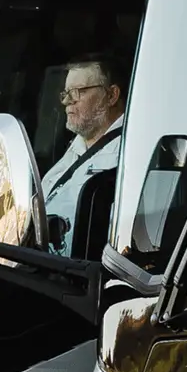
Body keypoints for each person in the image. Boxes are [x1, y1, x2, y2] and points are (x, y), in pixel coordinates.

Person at [41, 55, 125, 255]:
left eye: (78, 92)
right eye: (66, 93)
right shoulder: (78, 144)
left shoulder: (128, 153)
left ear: (111, 95)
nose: (67, 102)